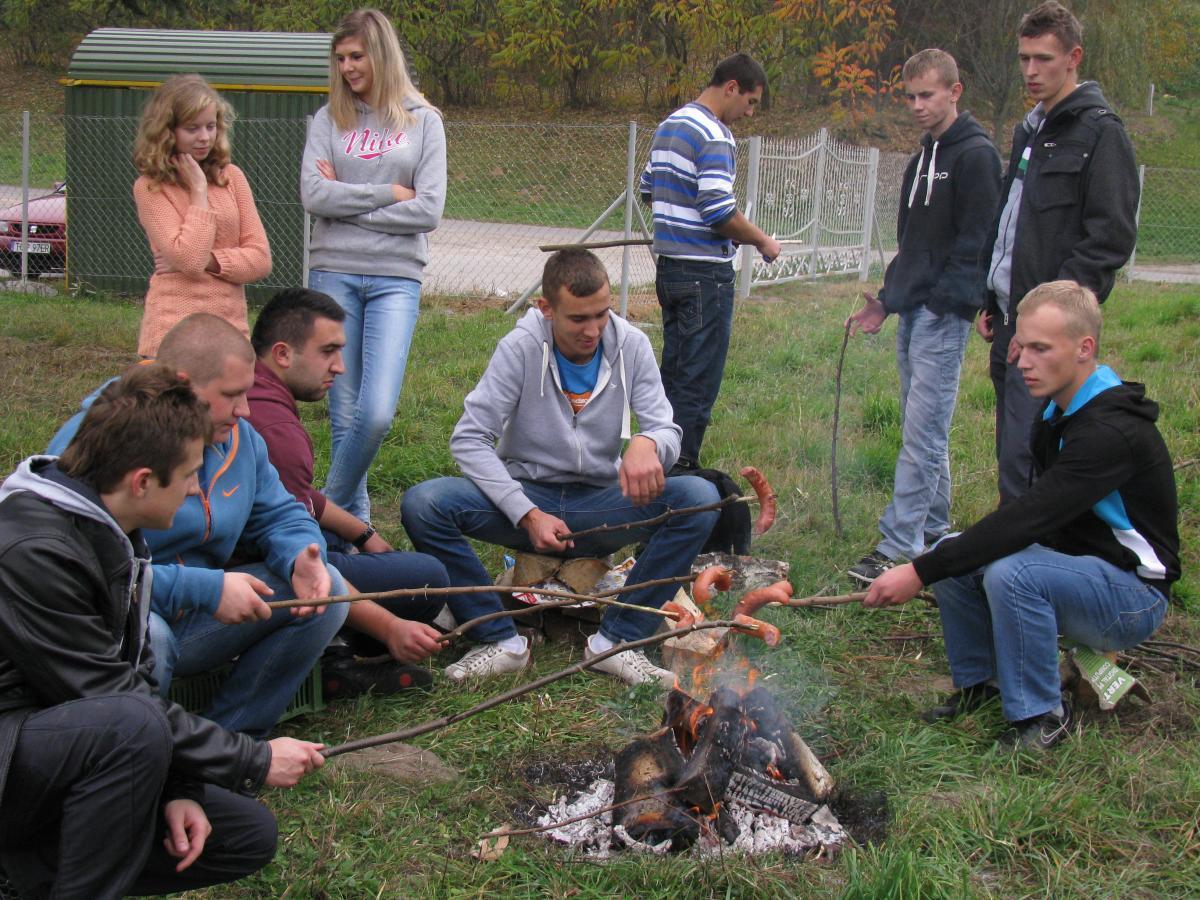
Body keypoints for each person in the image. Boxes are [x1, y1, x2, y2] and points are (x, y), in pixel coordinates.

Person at [0, 365, 326, 898]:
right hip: (15, 753)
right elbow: (111, 699)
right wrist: (255, 758)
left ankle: (23, 874)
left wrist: (179, 785)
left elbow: (132, 672)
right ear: (143, 481)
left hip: (55, 752)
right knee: (128, 726)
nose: (199, 487)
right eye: (192, 473)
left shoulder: (112, 531)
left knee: (244, 834)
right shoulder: (32, 552)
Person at [865, 281, 1179, 752]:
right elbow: (1025, 518)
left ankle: (1043, 714)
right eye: (1022, 345)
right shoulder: (1060, 411)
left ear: (1083, 348)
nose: (1023, 361)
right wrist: (936, 562)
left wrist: (917, 572)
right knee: (951, 552)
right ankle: (985, 685)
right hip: (1080, 569)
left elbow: (1030, 517)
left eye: (1040, 348)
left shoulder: (1108, 431)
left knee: (1014, 574)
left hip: (1133, 596)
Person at [402, 249, 720, 686]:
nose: (593, 330)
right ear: (546, 309)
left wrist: (648, 442)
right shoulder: (521, 347)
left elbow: (667, 427)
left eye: (602, 314)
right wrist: (525, 512)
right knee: (424, 503)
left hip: (600, 504)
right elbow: (469, 438)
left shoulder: (631, 345)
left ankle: (615, 644)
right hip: (527, 497)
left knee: (701, 499)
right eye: (578, 319)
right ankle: (500, 640)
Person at [47, 314, 348, 739]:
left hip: (204, 610)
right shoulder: (104, 439)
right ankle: (138, 753)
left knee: (328, 589)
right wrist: (205, 588)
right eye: (232, 395)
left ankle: (232, 742)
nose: (245, 411)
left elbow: (280, 511)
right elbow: (88, 573)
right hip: (126, 614)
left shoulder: (242, 438)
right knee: (150, 638)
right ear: (185, 385)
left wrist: (302, 553)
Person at [845, 49, 1002, 584]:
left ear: (955, 92)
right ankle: (934, 528)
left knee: (921, 431)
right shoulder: (922, 159)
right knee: (925, 425)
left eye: (927, 95)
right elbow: (913, 246)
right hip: (914, 311)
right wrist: (887, 301)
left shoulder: (976, 157)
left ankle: (898, 546)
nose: (917, 106)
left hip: (944, 313)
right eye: (910, 96)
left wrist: (945, 303)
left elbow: (978, 241)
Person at [247, 287, 449, 691]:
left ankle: (338, 639)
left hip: (256, 553)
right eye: (328, 351)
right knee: (429, 576)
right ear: (283, 353)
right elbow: (303, 564)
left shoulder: (257, 393)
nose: (339, 366)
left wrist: (363, 532)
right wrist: (389, 626)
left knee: (340, 540)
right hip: (261, 576)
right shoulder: (276, 431)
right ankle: (332, 656)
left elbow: (300, 498)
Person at [980, 1, 1139, 502]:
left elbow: (1109, 238)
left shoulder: (1099, 133)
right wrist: (991, 298)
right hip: (1008, 318)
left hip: (1047, 333)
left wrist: (1045, 325)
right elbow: (1011, 223)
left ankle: (1031, 568)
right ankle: (1010, 558)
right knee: (1012, 450)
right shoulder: (1030, 130)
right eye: (1024, 58)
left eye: (1044, 59)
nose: (1031, 71)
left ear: (1074, 58)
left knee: (1032, 457)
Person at [300, 8, 447, 523]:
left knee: (377, 412)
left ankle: (319, 515)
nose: (346, 68)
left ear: (380, 54)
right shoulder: (328, 120)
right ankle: (352, 538)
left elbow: (428, 209)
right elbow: (314, 195)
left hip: (395, 279)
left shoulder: (423, 121)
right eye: (339, 58)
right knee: (344, 419)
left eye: (356, 56)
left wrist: (349, 203)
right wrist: (386, 193)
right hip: (333, 273)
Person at [639, 52, 782, 471]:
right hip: (704, 276)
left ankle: (655, 460)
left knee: (673, 376)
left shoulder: (670, 126)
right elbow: (719, 211)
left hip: (670, 272)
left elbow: (649, 189)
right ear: (731, 87)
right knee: (696, 385)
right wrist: (763, 241)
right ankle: (678, 478)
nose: (749, 113)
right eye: (751, 102)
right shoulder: (715, 134)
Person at [132, 73, 272, 358]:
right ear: (167, 131)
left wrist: (212, 260)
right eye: (192, 128)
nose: (205, 137)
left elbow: (260, 259)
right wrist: (198, 190)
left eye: (211, 126)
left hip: (229, 331)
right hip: (173, 333)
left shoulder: (232, 178)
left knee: (235, 404)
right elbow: (190, 260)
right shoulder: (150, 187)